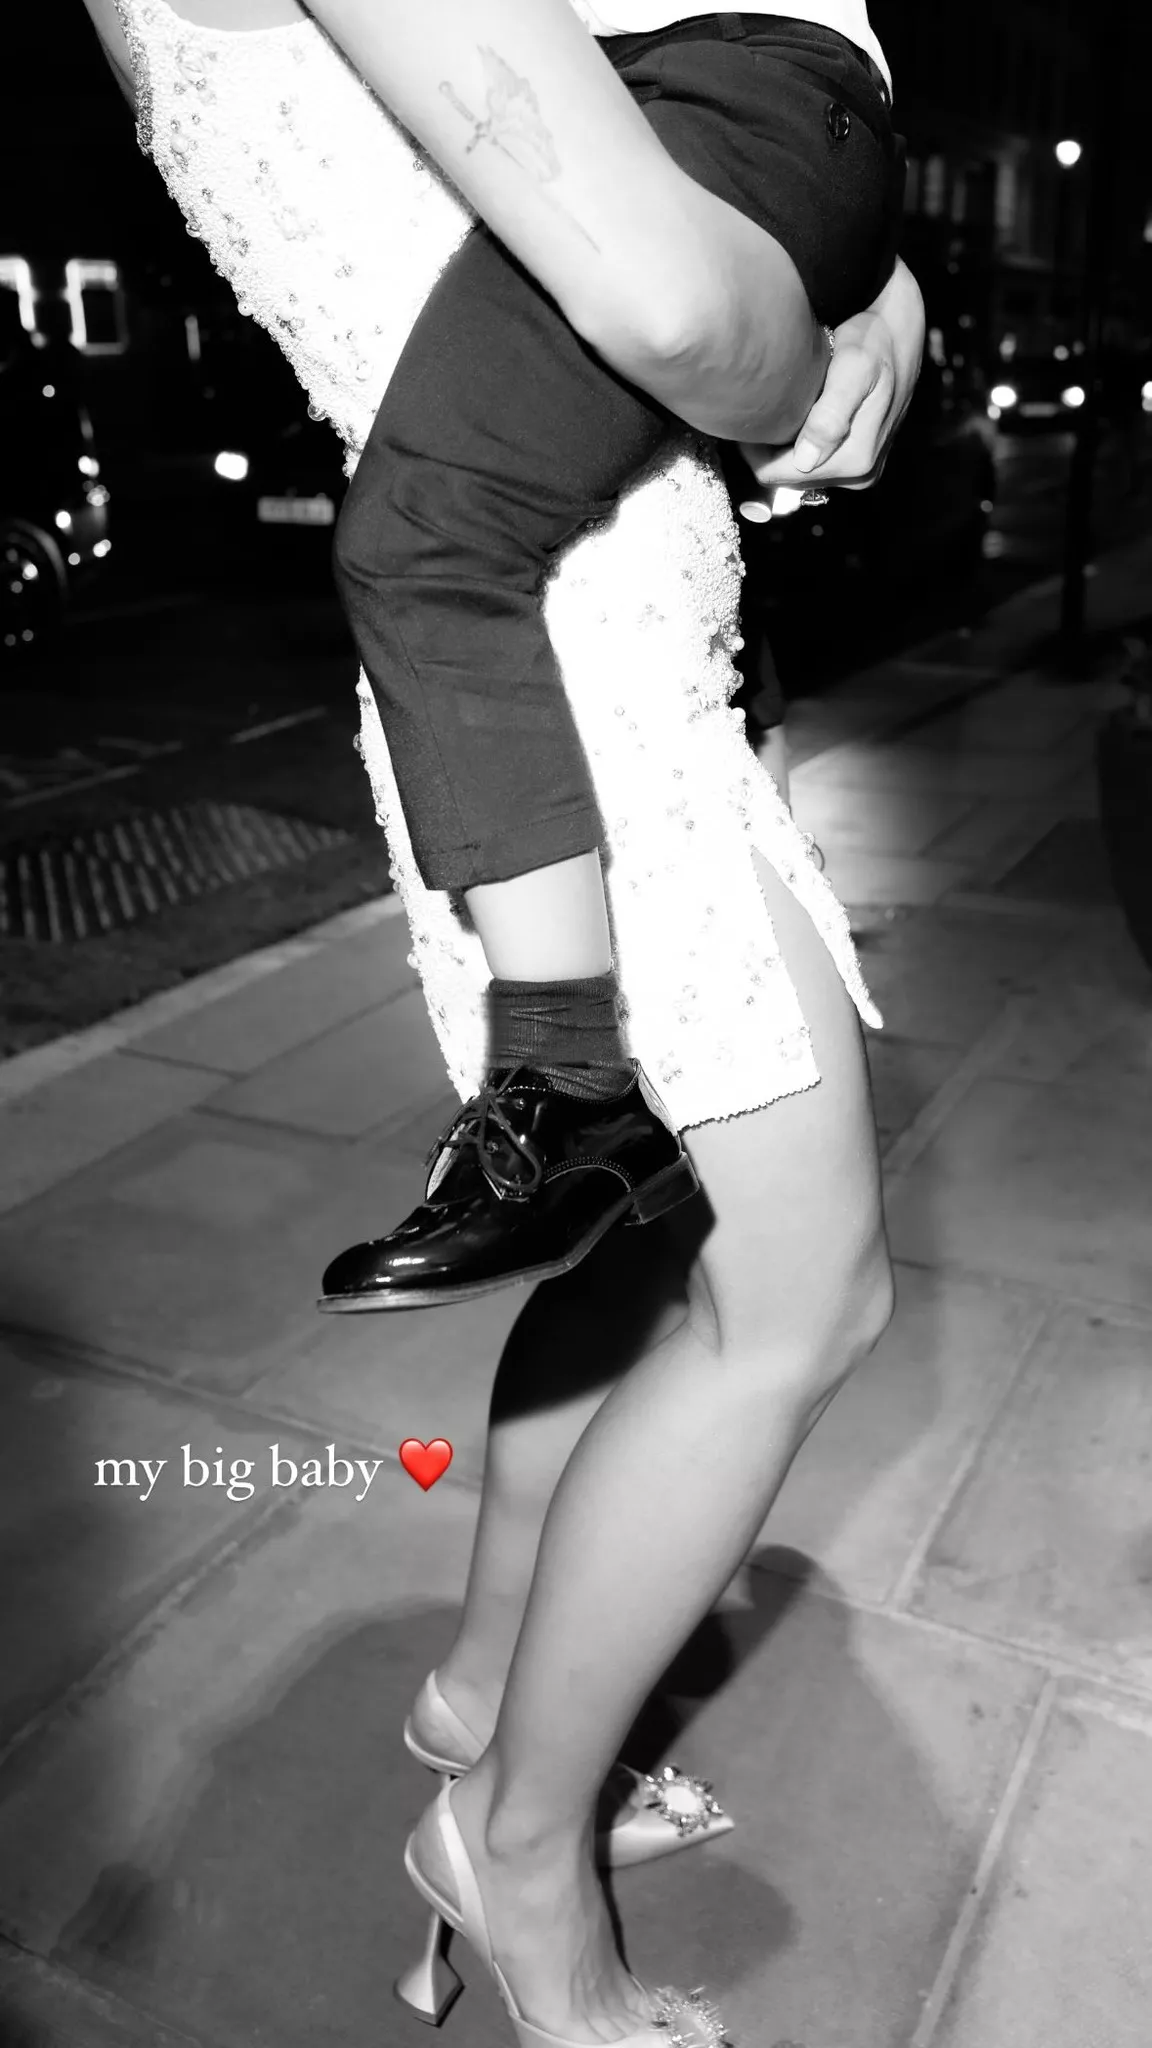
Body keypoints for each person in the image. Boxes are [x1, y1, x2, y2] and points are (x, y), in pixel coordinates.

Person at [84, 3, 924, 2042]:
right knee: (802, 1299)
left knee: (648, 1247)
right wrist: (837, 304)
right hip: (573, 681)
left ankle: (485, 1694)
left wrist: (845, 266)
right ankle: (515, 1850)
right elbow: (670, 298)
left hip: (610, 647)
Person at [314, 1, 908, 1311]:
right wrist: (865, 277)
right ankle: (576, 1103)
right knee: (622, 1302)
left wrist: (808, 342)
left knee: (420, 537)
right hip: (736, 99)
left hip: (710, 92)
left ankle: (570, 1077)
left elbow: (683, 314)